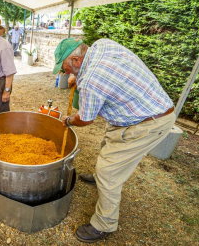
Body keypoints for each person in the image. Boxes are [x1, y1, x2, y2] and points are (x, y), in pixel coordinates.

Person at [53, 38, 175, 243]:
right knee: (108, 143)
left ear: (75, 60)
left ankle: (104, 224)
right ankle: (99, 178)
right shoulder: (101, 45)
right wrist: (78, 76)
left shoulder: (92, 80)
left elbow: (85, 119)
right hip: (133, 110)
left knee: (108, 172)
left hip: (148, 122)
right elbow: (96, 78)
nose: (64, 73)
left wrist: (68, 120)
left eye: (64, 68)